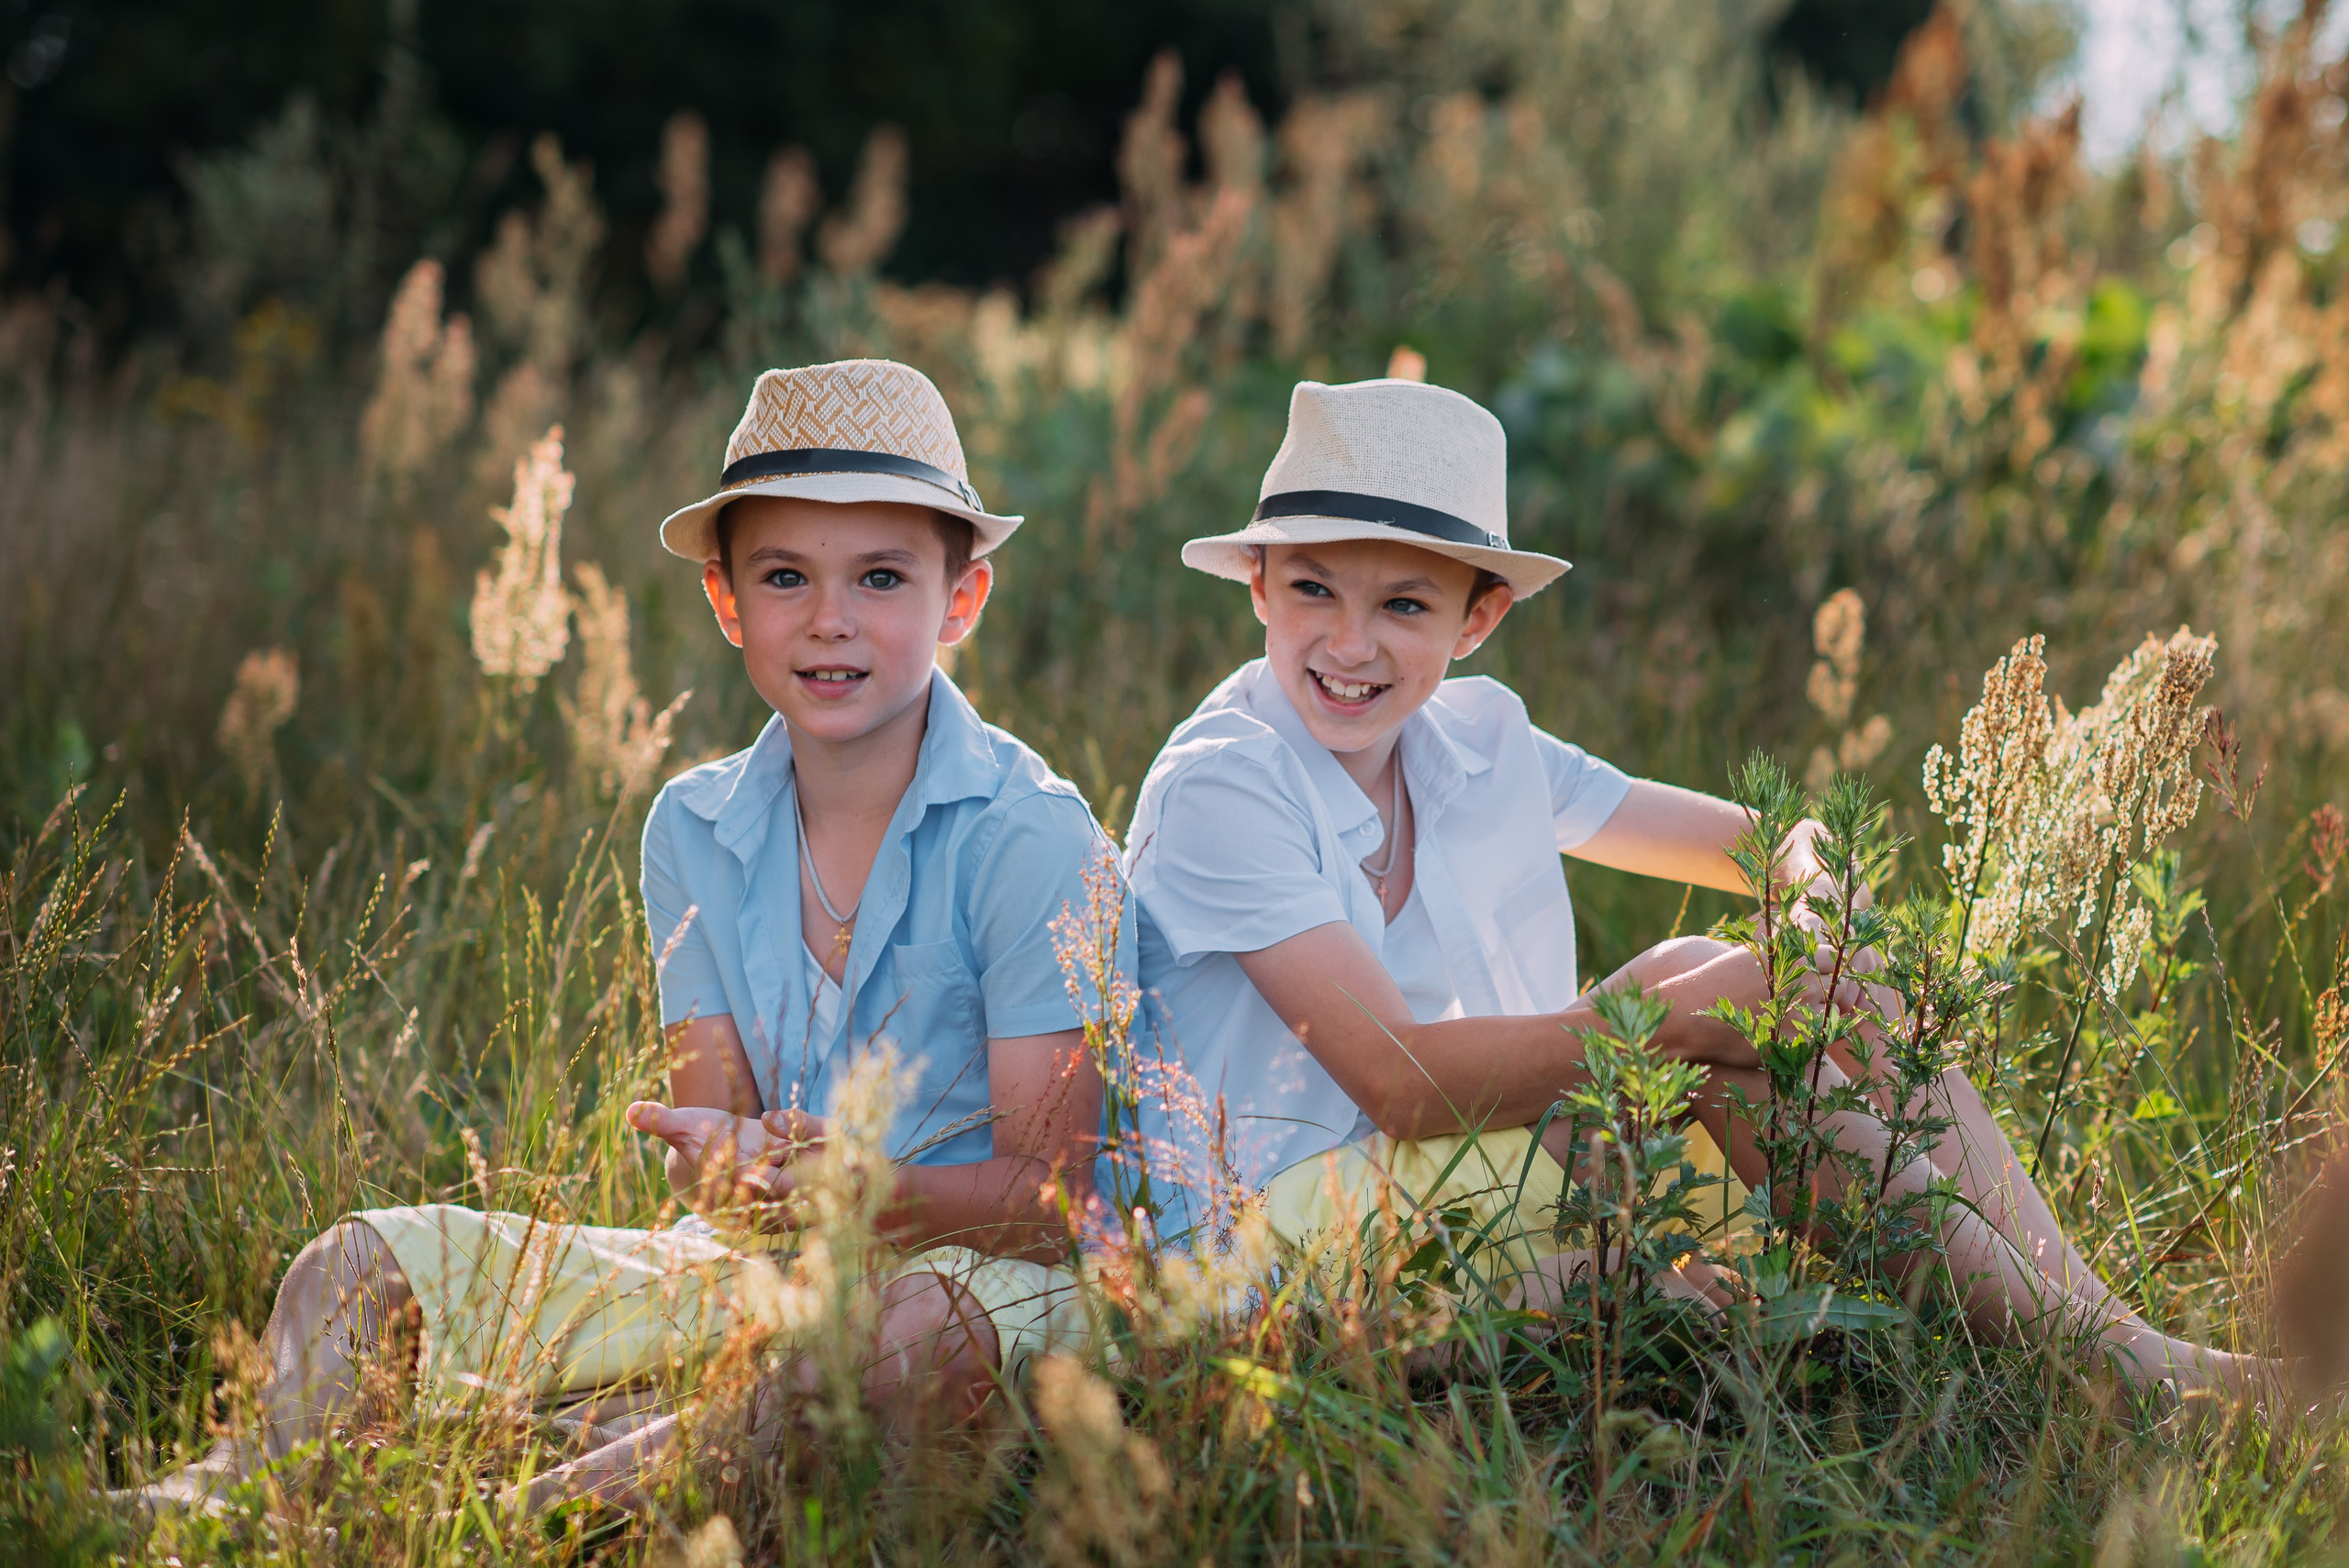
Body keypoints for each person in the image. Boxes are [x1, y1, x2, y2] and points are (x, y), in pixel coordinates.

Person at [1123, 374, 2265, 1395]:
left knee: (1758, 1050)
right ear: (1259, 584)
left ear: (1479, 617)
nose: (1350, 643)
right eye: (1315, 588)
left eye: (1404, 605)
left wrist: (1816, 925)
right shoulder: (1226, 783)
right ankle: (2122, 1362)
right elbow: (1401, 1084)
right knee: (1693, 1001)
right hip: (1270, 1236)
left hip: (1456, 1180)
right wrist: (1700, 1008)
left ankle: (2111, 1348)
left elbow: (1778, 837)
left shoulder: (1477, 737)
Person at [137, 359, 1128, 1518]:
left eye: (881, 576)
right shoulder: (695, 827)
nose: (829, 618)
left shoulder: (1033, 835)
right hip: (775, 1273)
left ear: (960, 600)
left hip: (989, 1285)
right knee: (360, 1262)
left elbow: (1060, 1198)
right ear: (726, 603)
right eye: (783, 576)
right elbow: (727, 1171)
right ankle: (240, 1500)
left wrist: (866, 1190)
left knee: (897, 1338)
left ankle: (506, 1522)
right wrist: (720, 1161)